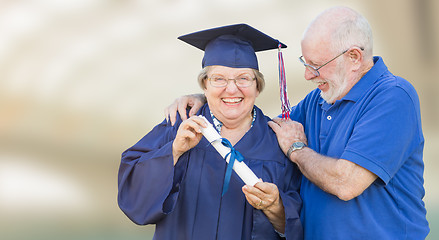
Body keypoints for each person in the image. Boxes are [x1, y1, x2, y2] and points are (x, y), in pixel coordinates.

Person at [165, 7, 429, 239]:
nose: (307, 74)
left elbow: (346, 183)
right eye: (305, 62)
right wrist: (215, 95)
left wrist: (297, 149)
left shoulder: (393, 97)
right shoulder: (318, 100)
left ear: (354, 58)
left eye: (316, 65)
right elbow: (261, 127)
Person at [118, 24, 303, 240]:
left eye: (243, 78)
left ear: (257, 87)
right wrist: (174, 151)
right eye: (219, 79)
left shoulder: (278, 143)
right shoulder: (179, 126)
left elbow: (303, 223)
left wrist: (276, 208)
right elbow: (134, 199)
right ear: (205, 85)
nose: (232, 89)